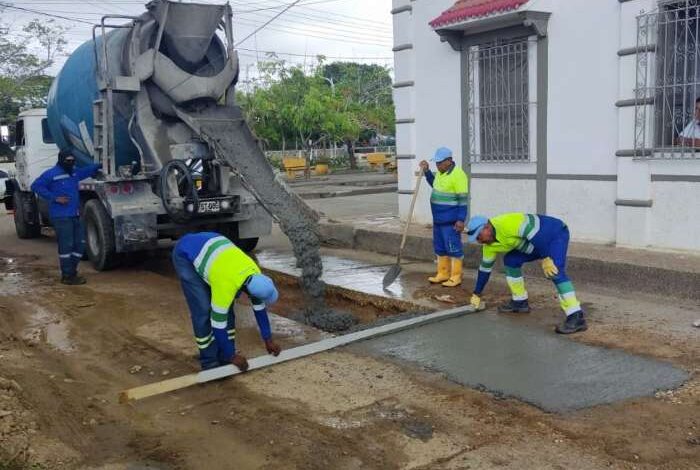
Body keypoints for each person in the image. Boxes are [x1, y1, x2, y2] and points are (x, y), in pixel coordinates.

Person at [172, 232, 282, 371]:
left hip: (215, 250)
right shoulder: (226, 286)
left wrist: (268, 339)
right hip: (185, 254)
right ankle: (209, 361)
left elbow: (260, 310)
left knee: (227, 309)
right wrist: (232, 356)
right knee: (204, 310)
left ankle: (224, 355)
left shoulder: (255, 274)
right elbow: (218, 324)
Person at [466, 213, 587, 334]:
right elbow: (484, 270)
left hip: (554, 233)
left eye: (479, 236)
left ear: (487, 227)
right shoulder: (489, 246)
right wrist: (477, 293)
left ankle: (576, 316)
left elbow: (538, 236)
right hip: (534, 244)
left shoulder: (508, 223)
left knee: (555, 271)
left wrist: (546, 258)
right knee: (511, 261)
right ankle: (520, 302)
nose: (479, 241)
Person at [31, 150, 101, 285]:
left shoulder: (74, 172)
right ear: (61, 160)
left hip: (74, 214)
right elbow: (36, 186)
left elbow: (85, 171)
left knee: (80, 244)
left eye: (72, 160)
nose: (70, 163)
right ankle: (67, 275)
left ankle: (72, 271)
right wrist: (54, 198)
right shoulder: (51, 174)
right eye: (68, 160)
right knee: (66, 246)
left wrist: (99, 165)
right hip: (61, 216)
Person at [419, 147, 469, 287]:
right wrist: (427, 171)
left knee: (453, 248)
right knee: (440, 247)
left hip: (451, 221)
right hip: (438, 220)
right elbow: (434, 184)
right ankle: (443, 273)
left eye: (440, 163)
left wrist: (460, 220)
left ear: (449, 161)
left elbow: (463, 200)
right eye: (436, 163)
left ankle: (456, 276)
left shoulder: (458, 175)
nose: (438, 165)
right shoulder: (441, 173)